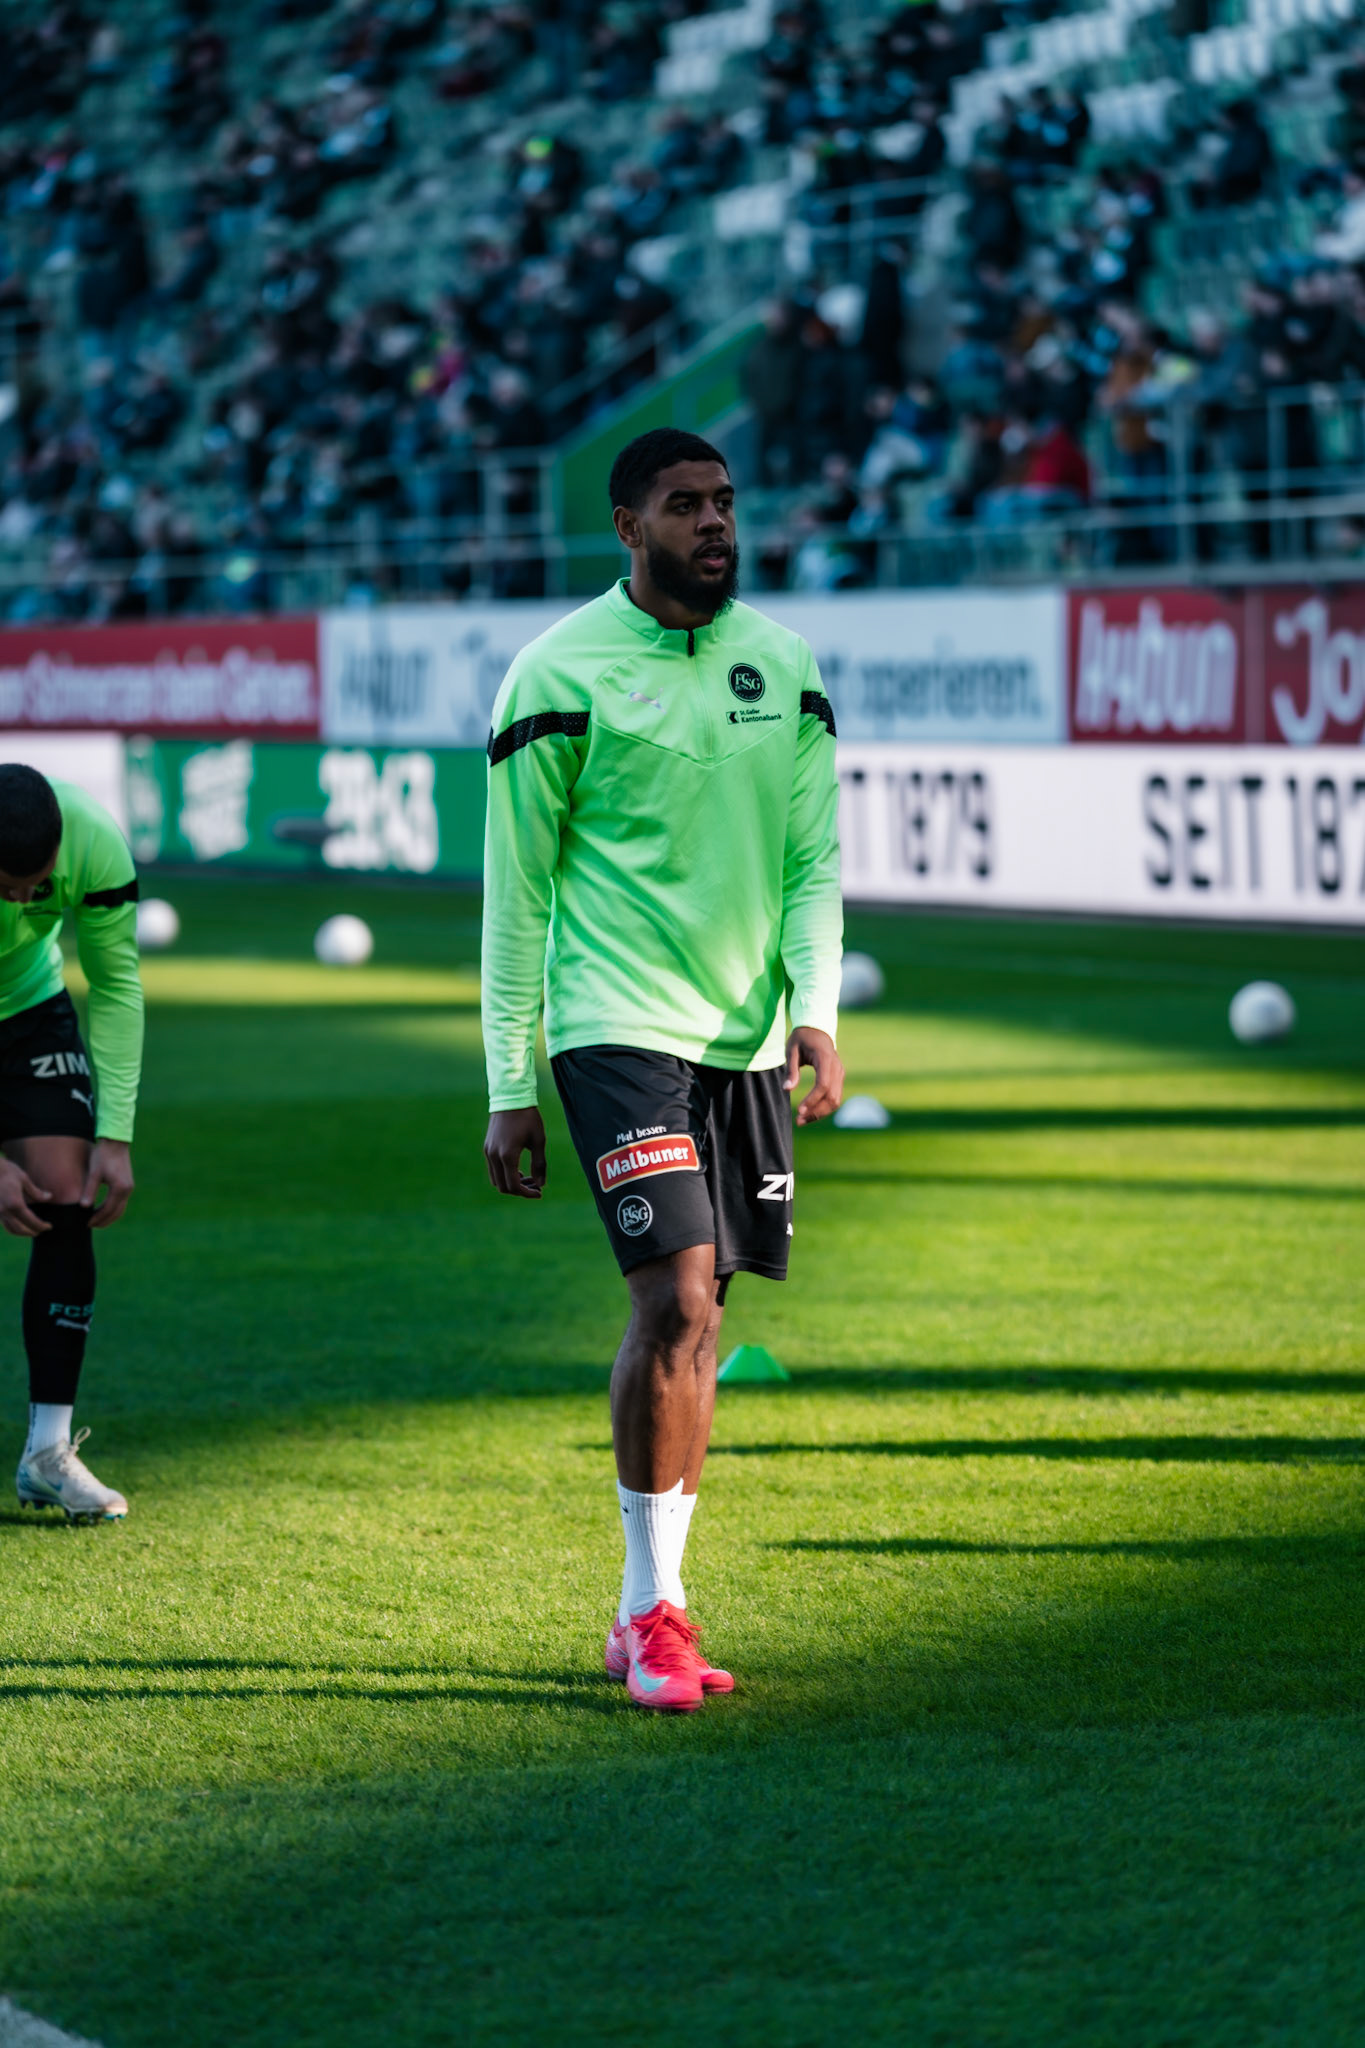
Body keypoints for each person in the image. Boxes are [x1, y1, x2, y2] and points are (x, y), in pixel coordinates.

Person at [481, 427, 844, 1712]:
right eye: (685, 504)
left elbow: (812, 859)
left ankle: (656, 1604)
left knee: (707, 1319)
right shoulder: (556, 673)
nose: (714, 522)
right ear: (629, 527)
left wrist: (815, 1009)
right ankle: (650, 1613)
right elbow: (517, 893)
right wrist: (508, 1081)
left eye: (725, 501)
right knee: (677, 1300)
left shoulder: (784, 665)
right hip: (613, 1021)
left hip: (742, 1035)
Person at [1, 766, 142, 1522]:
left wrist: (114, 1133)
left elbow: (116, 984)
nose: (26, 903)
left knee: (67, 1194)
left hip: (30, 1007)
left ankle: (47, 1453)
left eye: (38, 886)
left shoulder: (94, 842)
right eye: (8, 888)